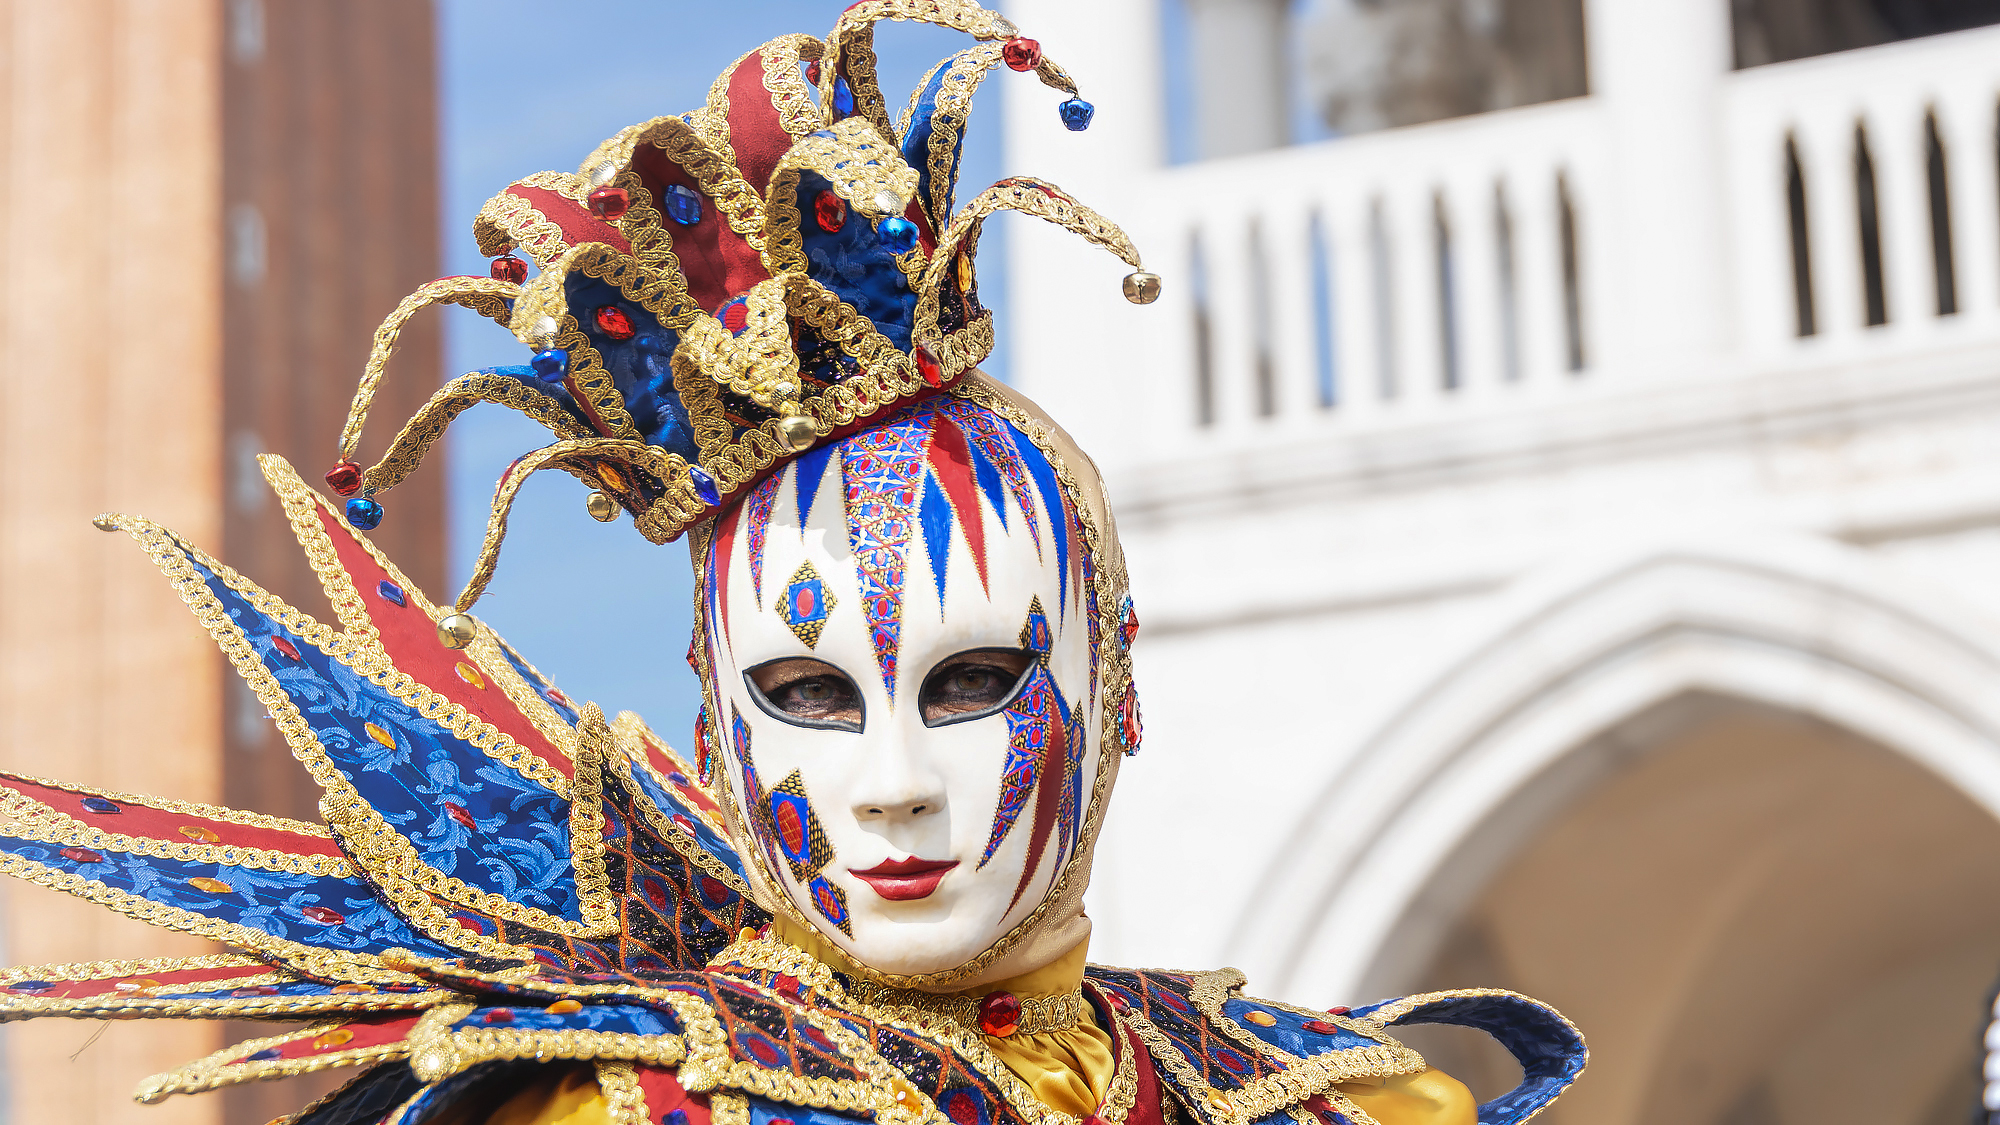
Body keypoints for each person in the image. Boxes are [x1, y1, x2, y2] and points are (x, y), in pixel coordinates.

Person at [0, 6, 1584, 1125]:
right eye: (808, 693)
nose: (892, 783)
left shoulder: (1329, 1099)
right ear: (712, 734)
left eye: (972, 679)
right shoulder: (618, 1109)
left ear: (1114, 696)